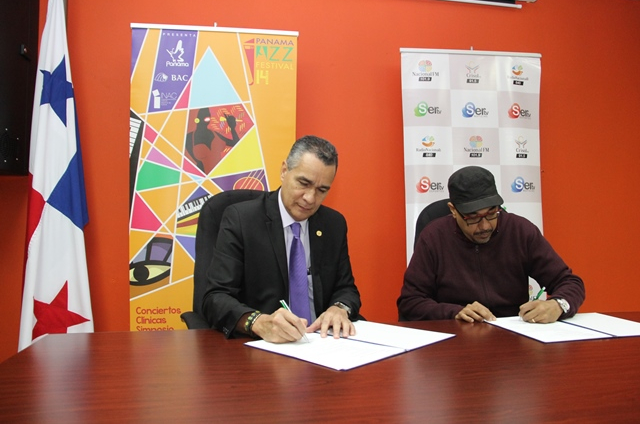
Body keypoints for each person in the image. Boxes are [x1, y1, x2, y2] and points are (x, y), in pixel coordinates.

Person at [202, 135, 361, 342]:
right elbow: (215, 297)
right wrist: (258, 322)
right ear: (284, 171)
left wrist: (339, 308)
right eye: (303, 183)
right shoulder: (241, 220)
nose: (310, 198)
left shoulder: (333, 224)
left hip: (322, 342)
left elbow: (346, 289)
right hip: (264, 344)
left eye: (322, 190)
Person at [398, 166, 585, 324]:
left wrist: (559, 305)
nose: (485, 226)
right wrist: (454, 312)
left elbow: (570, 282)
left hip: (514, 337)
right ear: (453, 210)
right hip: (457, 338)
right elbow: (410, 302)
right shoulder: (433, 237)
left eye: (492, 213)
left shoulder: (520, 231)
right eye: (473, 217)